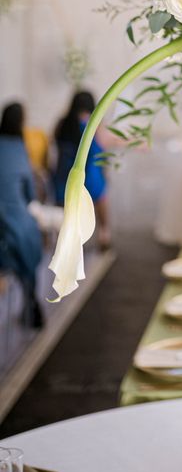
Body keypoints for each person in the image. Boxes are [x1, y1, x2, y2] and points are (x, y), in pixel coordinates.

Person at [0, 102, 44, 328]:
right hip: (14, 224)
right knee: (28, 238)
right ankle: (31, 301)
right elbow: (29, 193)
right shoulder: (18, 147)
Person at [54, 90, 111, 249]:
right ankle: (104, 235)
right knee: (101, 197)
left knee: (67, 214)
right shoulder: (92, 125)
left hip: (64, 176)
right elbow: (100, 152)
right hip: (89, 177)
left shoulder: (62, 124)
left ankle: (67, 242)